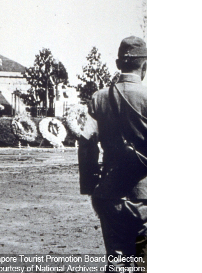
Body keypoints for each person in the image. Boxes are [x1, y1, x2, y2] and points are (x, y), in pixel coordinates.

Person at [78, 36, 147, 270]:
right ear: (145, 66)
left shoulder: (99, 98)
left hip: (109, 193)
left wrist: (89, 186)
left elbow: (86, 141)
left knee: (117, 262)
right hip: (146, 196)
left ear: (118, 64)